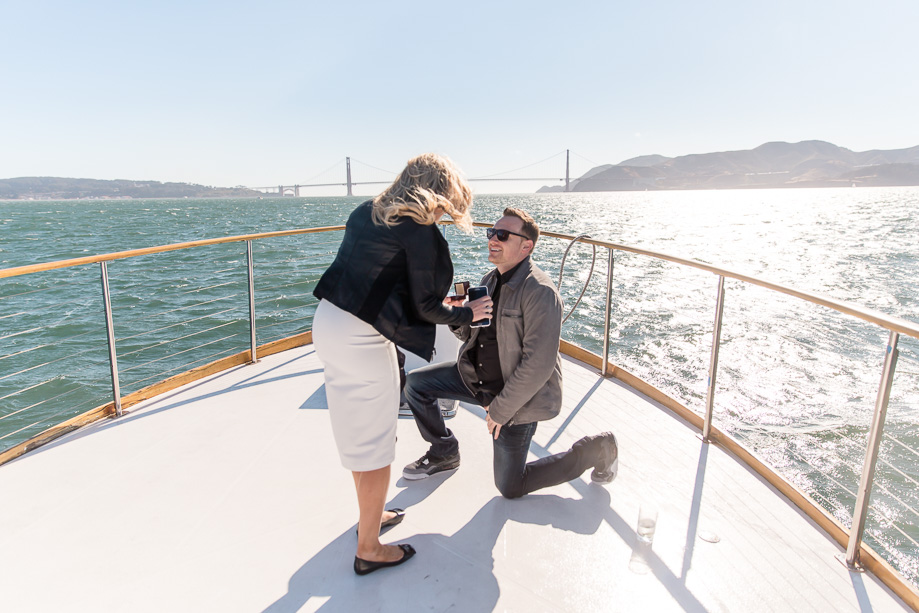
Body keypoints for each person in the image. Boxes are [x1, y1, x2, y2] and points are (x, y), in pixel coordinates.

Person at [311, 153, 494, 575]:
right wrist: (469, 314)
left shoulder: (366, 213)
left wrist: (443, 306)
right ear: (440, 191)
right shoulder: (419, 232)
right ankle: (369, 548)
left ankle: (368, 522)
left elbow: (380, 283)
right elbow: (426, 307)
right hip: (361, 338)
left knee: (357, 431)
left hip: (329, 323)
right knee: (375, 442)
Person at [402, 207, 618, 498]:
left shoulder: (540, 292)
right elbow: (472, 335)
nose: (493, 239)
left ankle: (596, 448)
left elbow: (538, 366)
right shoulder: (489, 280)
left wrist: (500, 411)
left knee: (510, 485)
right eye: (492, 233)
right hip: (476, 379)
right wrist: (456, 315)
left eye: (502, 235)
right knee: (416, 384)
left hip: (516, 400)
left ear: (526, 246)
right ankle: (444, 452)